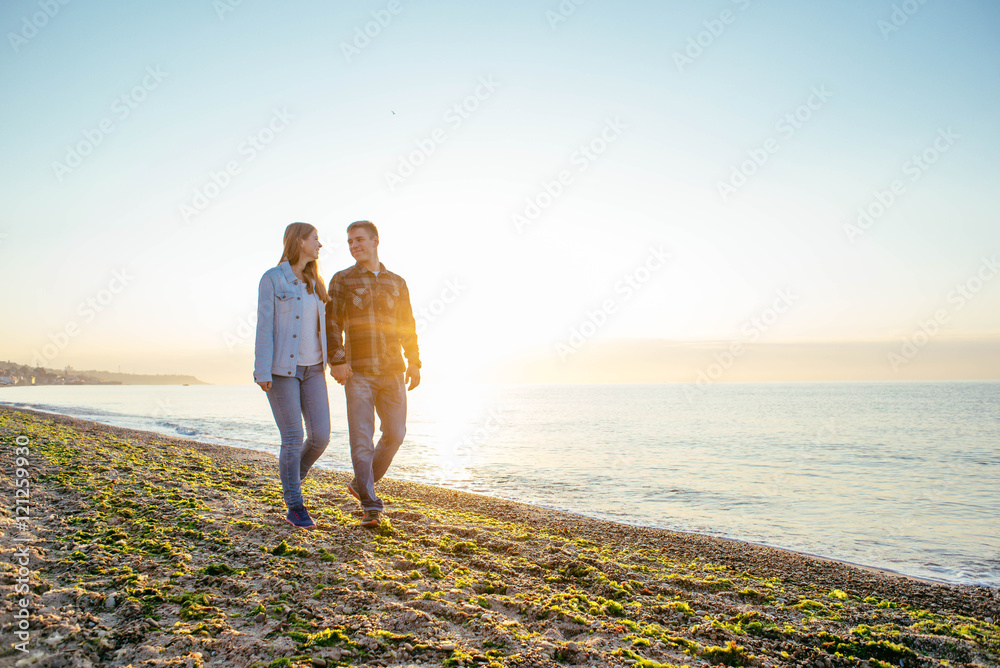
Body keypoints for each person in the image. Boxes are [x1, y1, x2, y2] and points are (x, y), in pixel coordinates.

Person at [327, 220, 421, 527]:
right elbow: (332, 324)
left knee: (395, 433)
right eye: (350, 242)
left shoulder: (397, 282)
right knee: (362, 440)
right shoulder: (342, 280)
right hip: (359, 372)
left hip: (393, 369)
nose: (354, 246)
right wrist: (337, 359)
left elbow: (407, 325)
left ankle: (359, 484)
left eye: (359, 240)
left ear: (375, 241)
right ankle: (371, 505)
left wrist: (415, 361)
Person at [254, 222, 332, 529]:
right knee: (292, 438)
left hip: (315, 370)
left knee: (321, 437)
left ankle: (290, 479)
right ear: (298, 241)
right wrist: (262, 370)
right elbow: (265, 325)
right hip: (281, 370)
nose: (320, 244)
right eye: (315, 239)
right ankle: (295, 505)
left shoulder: (316, 282)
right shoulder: (273, 279)